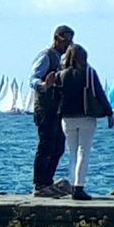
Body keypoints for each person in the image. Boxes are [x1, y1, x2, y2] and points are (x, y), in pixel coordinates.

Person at [56, 42, 114, 200]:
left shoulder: (61, 74)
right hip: (86, 116)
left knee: (73, 153)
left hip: (67, 118)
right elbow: (100, 93)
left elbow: (56, 97)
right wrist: (109, 113)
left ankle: (73, 186)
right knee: (84, 152)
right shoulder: (89, 72)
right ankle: (78, 187)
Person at [29, 24, 74, 196]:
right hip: (45, 108)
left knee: (58, 146)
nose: (68, 45)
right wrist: (43, 85)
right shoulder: (46, 56)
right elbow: (33, 79)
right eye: (65, 41)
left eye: (70, 41)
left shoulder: (63, 59)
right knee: (45, 145)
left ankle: (48, 182)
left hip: (57, 109)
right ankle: (40, 185)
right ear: (56, 38)